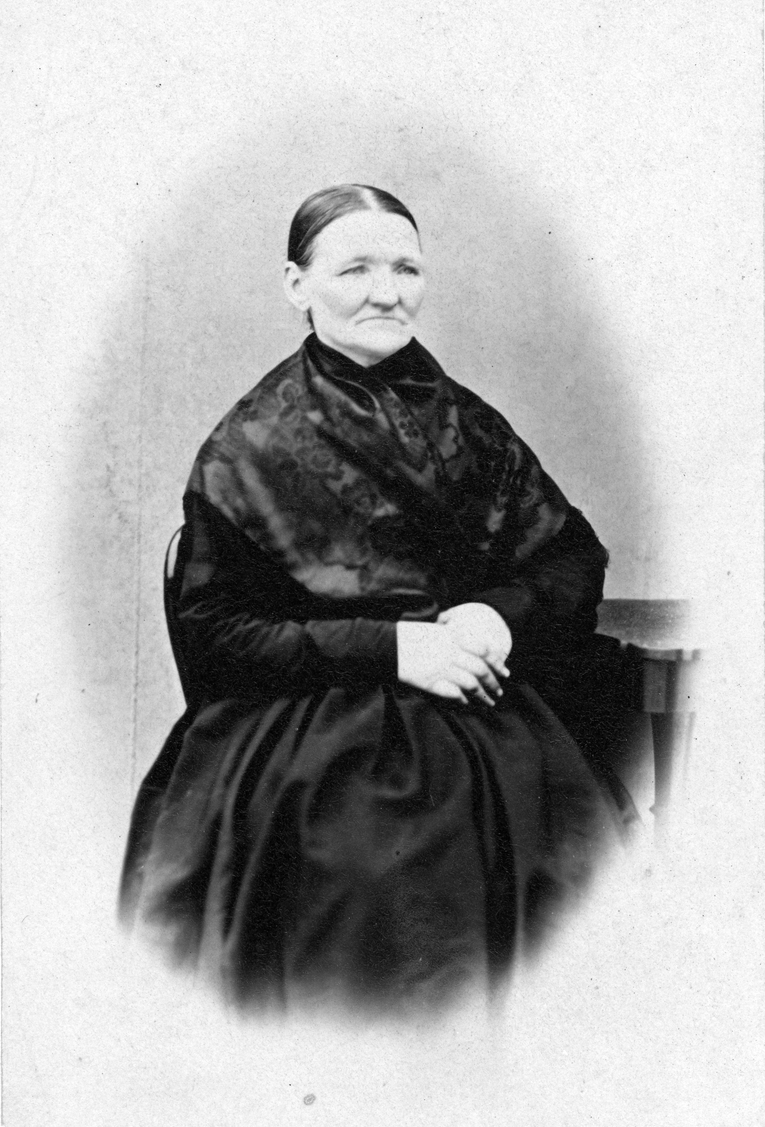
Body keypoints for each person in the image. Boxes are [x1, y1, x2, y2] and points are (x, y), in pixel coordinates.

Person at [119, 183, 634, 1014]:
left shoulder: (468, 422)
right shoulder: (247, 446)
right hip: (309, 727)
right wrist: (395, 648)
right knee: (369, 866)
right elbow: (217, 632)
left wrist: (495, 616)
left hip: (481, 699)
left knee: (582, 873)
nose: (386, 292)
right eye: (354, 269)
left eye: (405, 269)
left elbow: (571, 554)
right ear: (297, 285)